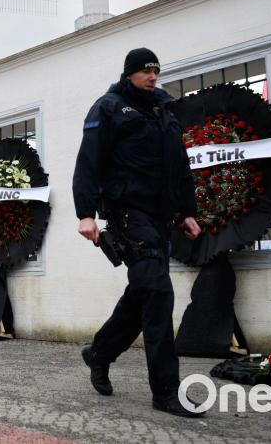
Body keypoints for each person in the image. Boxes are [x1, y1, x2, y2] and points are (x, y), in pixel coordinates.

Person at [73, 47, 202, 418]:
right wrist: (86, 214)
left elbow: (179, 166)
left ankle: (99, 353)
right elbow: (88, 161)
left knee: (144, 291)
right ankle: (165, 391)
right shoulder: (109, 107)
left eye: (156, 71)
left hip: (160, 216)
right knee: (159, 292)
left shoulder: (163, 110)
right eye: (146, 71)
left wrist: (186, 212)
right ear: (129, 73)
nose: (153, 76)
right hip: (128, 214)